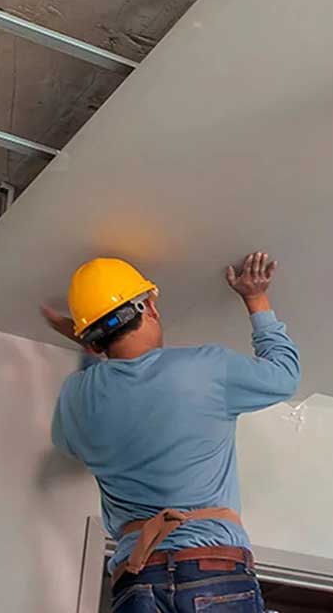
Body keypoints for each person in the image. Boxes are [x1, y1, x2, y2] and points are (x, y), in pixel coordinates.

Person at [41, 251, 299, 613]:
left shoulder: (76, 396)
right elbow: (285, 376)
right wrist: (256, 298)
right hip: (213, 566)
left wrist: (93, 348)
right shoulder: (206, 368)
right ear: (150, 309)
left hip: (139, 577)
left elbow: (70, 440)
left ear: (94, 341)